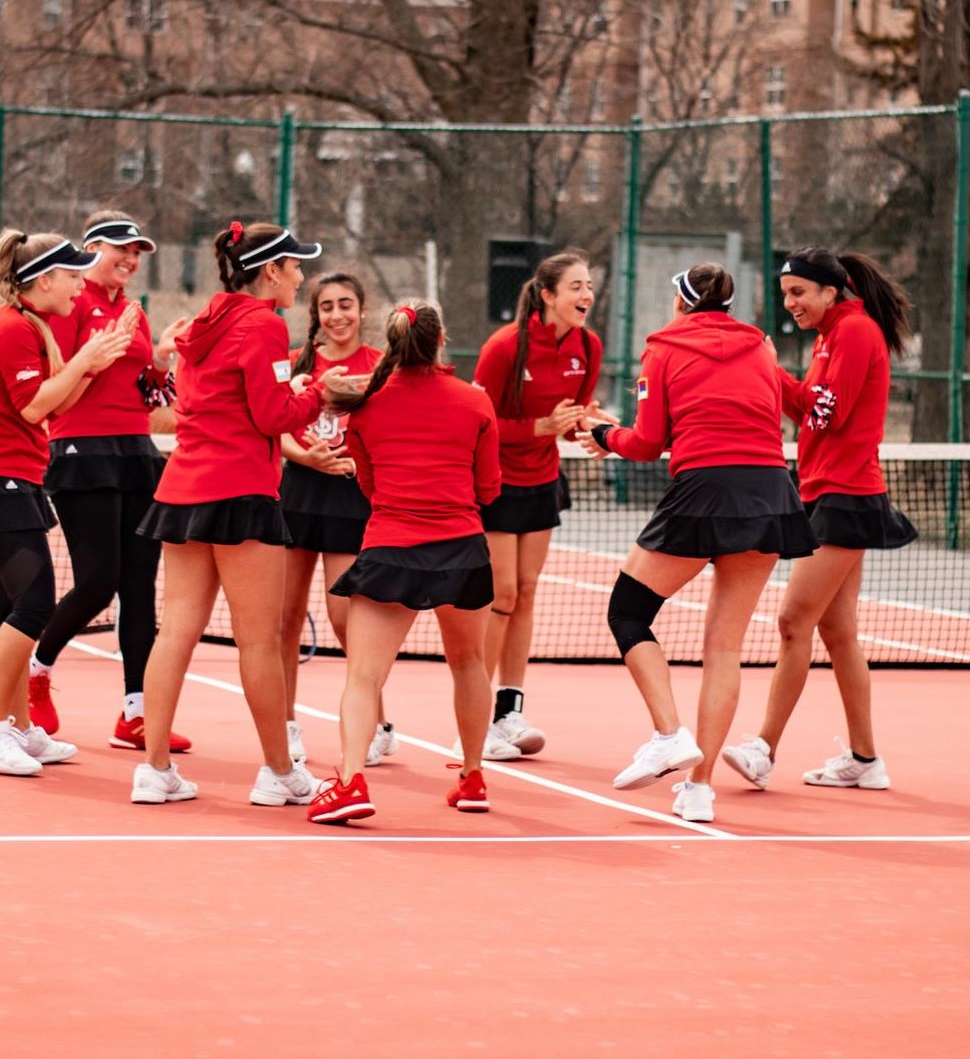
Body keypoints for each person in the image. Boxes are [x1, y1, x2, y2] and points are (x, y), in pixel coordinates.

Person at [580, 264, 816, 823]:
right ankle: (700, 787)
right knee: (724, 648)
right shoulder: (760, 347)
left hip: (705, 489)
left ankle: (668, 733)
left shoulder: (662, 348)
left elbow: (645, 444)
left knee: (628, 612)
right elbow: (804, 407)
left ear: (683, 304)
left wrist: (600, 435)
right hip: (769, 490)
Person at [129, 220, 332, 807]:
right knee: (261, 643)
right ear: (270, 270)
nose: (300, 277)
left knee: (176, 632)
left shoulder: (202, 324)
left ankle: (154, 769)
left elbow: (215, 401)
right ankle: (279, 773)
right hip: (240, 494)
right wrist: (320, 389)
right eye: (295, 266)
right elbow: (273, 416)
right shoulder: (265, 325)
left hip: (184, 489)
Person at [719, 247, 918, 794]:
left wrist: (768, 368)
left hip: (847, 497)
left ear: (831, 292)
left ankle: (762, 749)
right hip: (825, 490)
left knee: (792, 622)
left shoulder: (854, 333)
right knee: (838, 633)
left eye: (799, 293)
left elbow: (823, 413)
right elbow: (815, 407)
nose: (791, 304)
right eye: (786, 294)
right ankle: (864, 759)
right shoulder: (832, 335)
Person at [0, 229, 133, 776]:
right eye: (72, 275)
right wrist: (82, 360)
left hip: (15, 481)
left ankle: (21, 729)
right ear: (43, 279)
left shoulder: (32, 326)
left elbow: (56, 405)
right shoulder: (10, 330)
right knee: (34, 606)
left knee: (14, 611)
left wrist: (91, 365)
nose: (80, 284)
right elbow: (32, 407)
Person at [306, 301, 503, 824]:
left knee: (364, 677)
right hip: (462, 549)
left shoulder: (366, 405)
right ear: (442, 341)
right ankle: (474, 775)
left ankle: (350, 782)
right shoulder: (475, 403)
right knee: (470, 663)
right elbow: (489, 488)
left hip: (391, 547)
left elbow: (367, 483)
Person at [29, 211, 194, 755]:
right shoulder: (69, 302)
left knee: (140, 589)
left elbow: (148, 397)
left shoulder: (134, 313)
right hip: (81, 450)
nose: (129, 258)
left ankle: (136, 714)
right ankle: (36, 670)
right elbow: (59, 383)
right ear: (91, 248)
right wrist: (101, 353)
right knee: (98, 580)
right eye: (119, 248)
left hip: (135, 453)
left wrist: (163, 359)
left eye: (137, 251)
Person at [471, 250, 611, 761]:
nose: (586, 295)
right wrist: (537, 428)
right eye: (575, 286)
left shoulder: (589, 347)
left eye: (589, 285)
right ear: (548, 295)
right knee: (502, 594)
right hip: (497, 481)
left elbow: (574, 419)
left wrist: (597, 430)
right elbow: (478, 424)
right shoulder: (505, 347)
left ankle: (509, 710)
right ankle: (478, 715)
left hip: (543, 479)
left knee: (526, 594)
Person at [277, 272, 398, 767]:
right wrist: (309, 458)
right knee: (283, 620)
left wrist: (348, 459)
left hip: (351, 497)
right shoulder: (296, 364)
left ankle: (376, 724)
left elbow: (390, 429)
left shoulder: (380, 367)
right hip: (298, 491)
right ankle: (285, 728)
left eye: (346, 304)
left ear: (362, 310)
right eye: (327, 307)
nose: (337, 315)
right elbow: (275, 428)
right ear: (316, 315)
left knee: (347, 618)